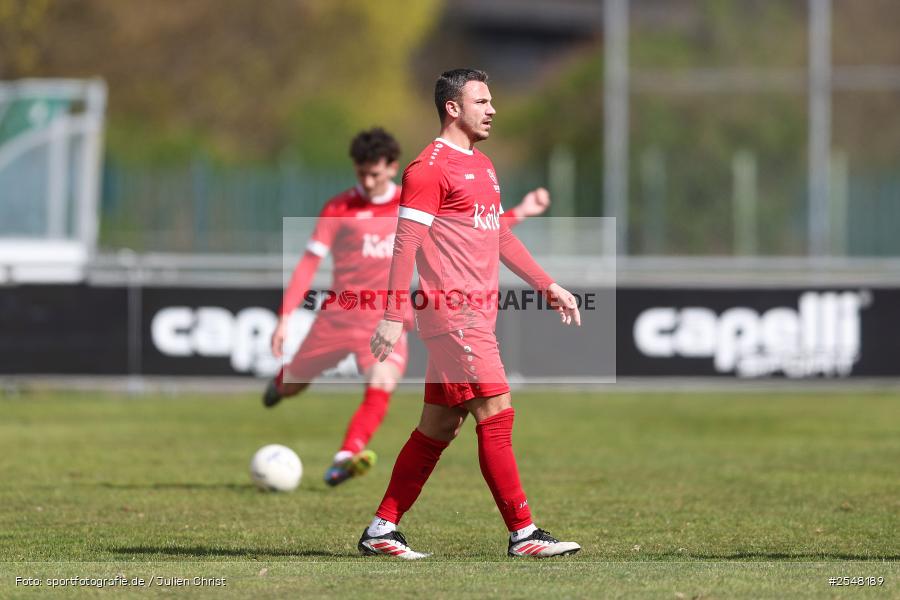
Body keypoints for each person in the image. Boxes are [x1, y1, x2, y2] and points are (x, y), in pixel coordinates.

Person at [359, 69, 582, 559]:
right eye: (482, 100)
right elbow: (405, 243)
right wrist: (394, 314)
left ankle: (382, 528)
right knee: (496, 412)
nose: (493, 109)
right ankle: (524, 534)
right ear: (453, 109)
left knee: (438, 428)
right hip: (452, 315)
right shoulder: (428, 168)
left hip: (475, 317)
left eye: (492, 100)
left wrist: (547, 285)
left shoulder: (482, 165)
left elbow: (498, 234)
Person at [264, 127, 551, 487]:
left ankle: (346, 456)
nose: (368, 181)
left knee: (382, 382)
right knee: (293, 384)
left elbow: (473, 233)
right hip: (337, 318)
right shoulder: (339, 208)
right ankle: (281, 383)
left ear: (391, 167)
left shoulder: (413, 199)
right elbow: (308, 265)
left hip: (388, 317)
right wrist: (285, 316)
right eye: (361, 173)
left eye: (375, 172)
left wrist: (520, 212)